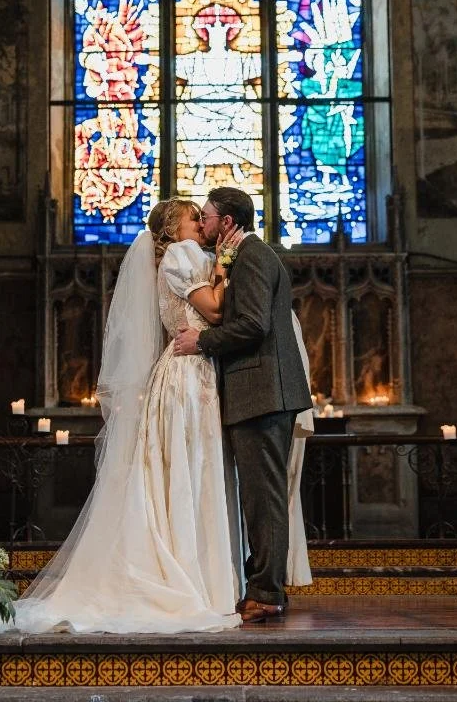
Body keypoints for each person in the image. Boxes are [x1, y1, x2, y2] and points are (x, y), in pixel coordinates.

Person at [1, 198, 245, 633]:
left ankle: (201, 578)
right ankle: (195, 580)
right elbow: (213, 311)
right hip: (187, 375)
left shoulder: (179, 256)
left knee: (188, 469)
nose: (201, 225)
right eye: (194, 217)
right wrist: (225, 270)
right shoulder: (181, 254)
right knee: (190, 469)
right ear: (174, 226)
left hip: (189, 370)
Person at [173, 187, 312, 623]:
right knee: (259, 495)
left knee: (263, 496)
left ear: (227, 222)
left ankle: (266, 591)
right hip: (261, 391)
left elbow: (252, 323)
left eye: (208, 217)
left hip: (262, 391)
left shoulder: (253, 256)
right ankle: (264, 585)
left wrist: (203, 341)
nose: (203, 224)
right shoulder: (248, 255)